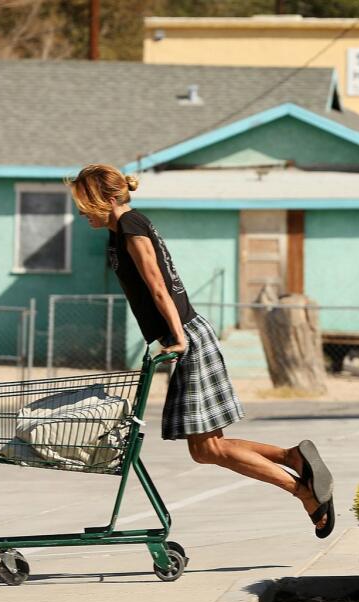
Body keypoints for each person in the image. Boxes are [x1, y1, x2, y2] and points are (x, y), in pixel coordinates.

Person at [66, 163, 335, 538]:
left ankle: (303, 492)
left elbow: (158, 285)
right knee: (207, 449)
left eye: (86, 203)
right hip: (184, 335)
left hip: (186, 335)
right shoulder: (121, 231)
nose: (81, 212)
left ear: (109, 199)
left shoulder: (130, 225)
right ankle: (292, 459)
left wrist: (177, 338)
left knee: (210, 448)